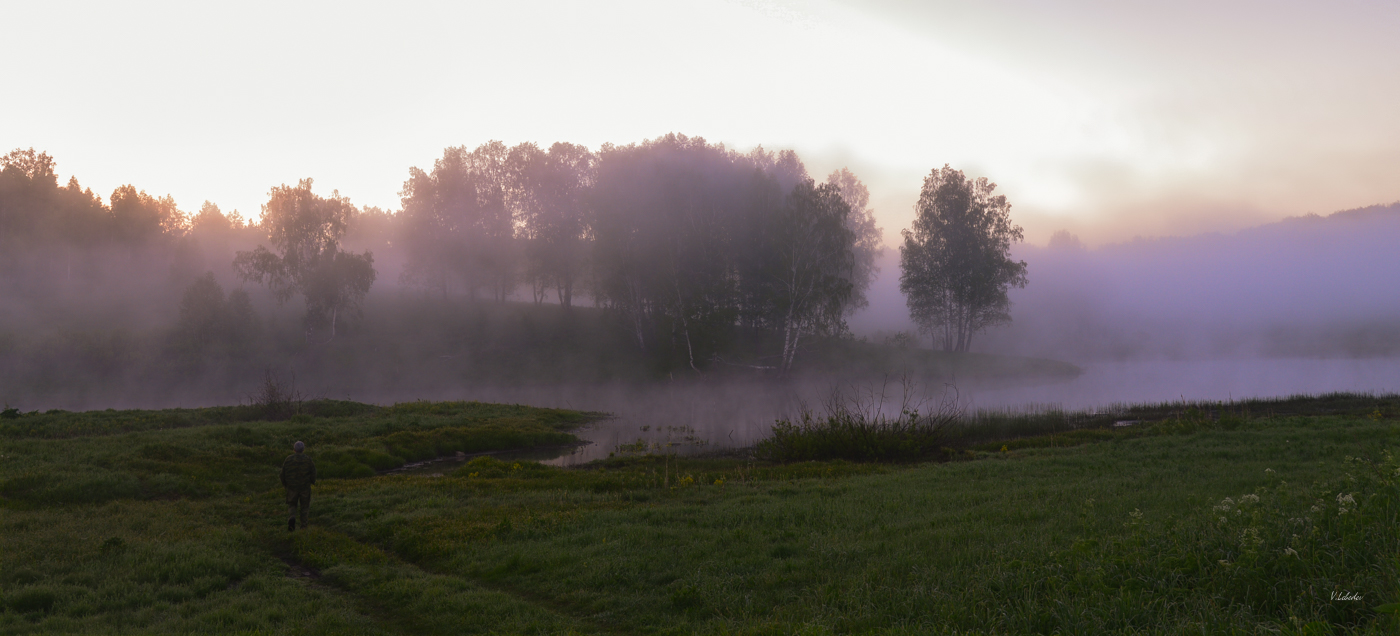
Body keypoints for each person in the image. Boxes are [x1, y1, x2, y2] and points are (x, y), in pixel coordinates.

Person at [280, 440, 316, 531]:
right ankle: (303, 527)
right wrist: (312, 482)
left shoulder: (288, 459)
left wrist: (285, 484)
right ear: (303, 449)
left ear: (294, 449)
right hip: (304, 487)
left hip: (292, 487)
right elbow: (313, 473)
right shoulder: (308, 459)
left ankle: (292, 517)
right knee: (304, 507)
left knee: (292, 504)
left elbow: (282, 473)